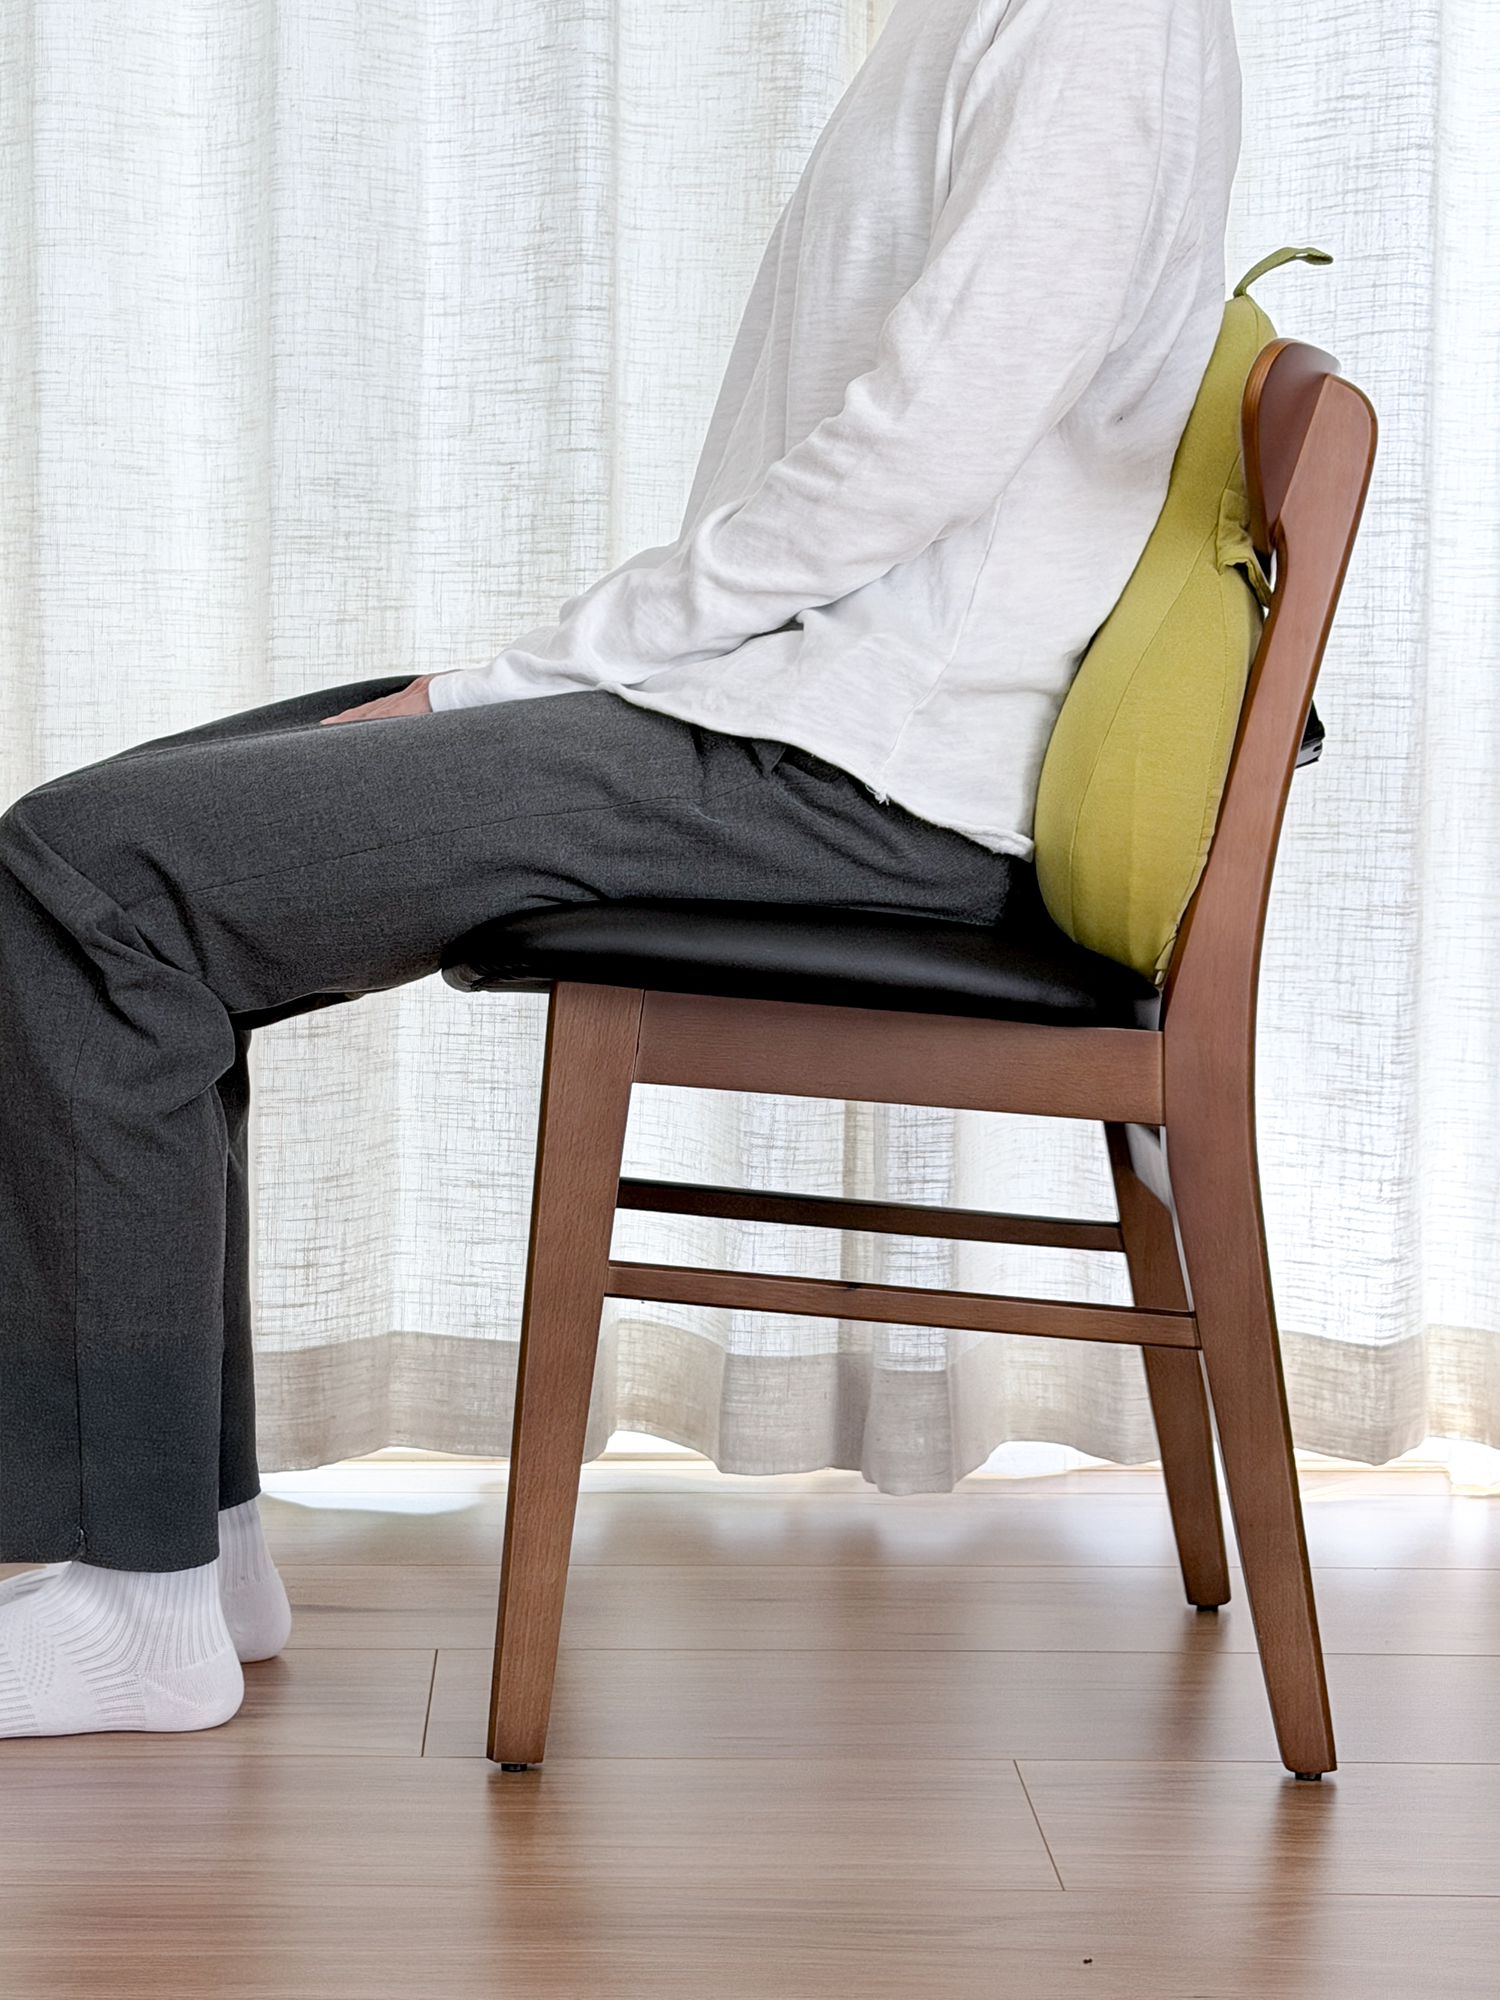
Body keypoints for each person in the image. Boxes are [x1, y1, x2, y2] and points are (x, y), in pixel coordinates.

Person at [0, 0, 1241, 1738]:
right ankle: (189, 1547)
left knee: (94, 877)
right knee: (97, 839)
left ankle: (139, 1599)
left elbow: (915, 457)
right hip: (810, 715)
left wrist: (530, 674)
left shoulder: (1088, 27)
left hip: (857, 768)